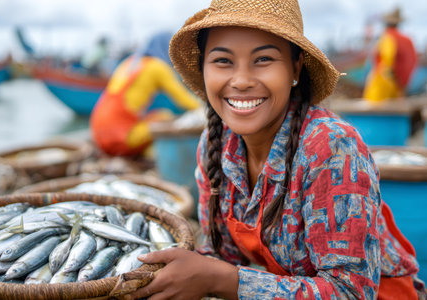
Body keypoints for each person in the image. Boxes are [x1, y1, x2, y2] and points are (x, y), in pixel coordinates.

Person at [127, 0, 426, 299]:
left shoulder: (331, 147)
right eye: (222, 61)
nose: (241, 81)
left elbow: (351, 291)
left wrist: (220, 280)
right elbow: (223, 257)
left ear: (295, 67)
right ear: (204, 69)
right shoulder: (215, 145)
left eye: (263, 59)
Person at [90, 32, 201, 156]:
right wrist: (206, 110)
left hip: (98, 136)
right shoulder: (157, 67)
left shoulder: (129, 62)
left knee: (151, 117)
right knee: (164, 115)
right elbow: (183, 99)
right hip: (121, 139)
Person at [363, 7, 417, 102]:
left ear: (386, 23)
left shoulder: (387, 38)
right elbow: (412, 62)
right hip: (400, 86)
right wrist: (401, 85)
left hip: (384, 86)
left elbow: (386, 64)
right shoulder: (408, 40)